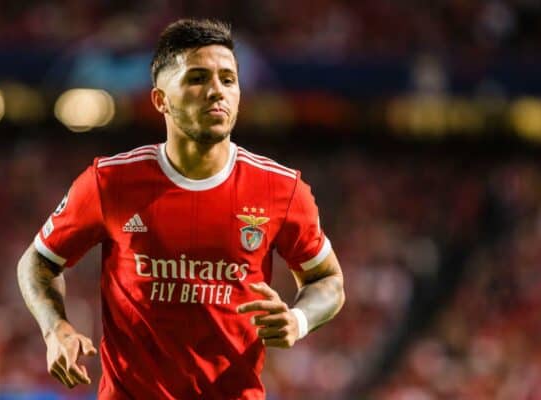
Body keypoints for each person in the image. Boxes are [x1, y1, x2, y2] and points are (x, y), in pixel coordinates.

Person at [17, 18, 345, 400]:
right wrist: (55, 328)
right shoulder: (109, 182)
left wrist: (298, 319)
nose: (216, 91)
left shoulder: (281, 189)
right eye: (197, 78)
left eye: (228, 79)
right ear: (161, 100)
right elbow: (37, 262)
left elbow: (328, 281)